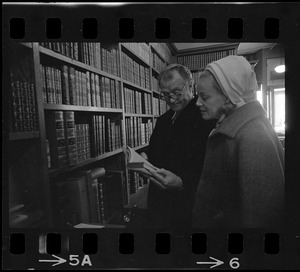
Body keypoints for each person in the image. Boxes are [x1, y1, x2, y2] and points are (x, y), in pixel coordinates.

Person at [191, 55, 285, 228]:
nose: (197, 103)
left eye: (205, 97)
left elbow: (259, 217)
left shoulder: (251, 136)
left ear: (228, 97)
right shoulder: (237, 127)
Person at [140, 64, 216, 230]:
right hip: (158, 201)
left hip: (186, 204)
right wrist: (144, 158)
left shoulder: (206, 117)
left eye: (176, 92)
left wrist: (183, 183)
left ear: (190, 85)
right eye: (165, 94)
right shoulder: (164, 120)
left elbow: (212, 169)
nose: (171, 99)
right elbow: (155, 150)